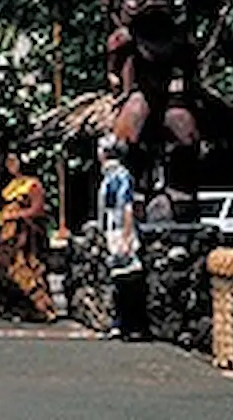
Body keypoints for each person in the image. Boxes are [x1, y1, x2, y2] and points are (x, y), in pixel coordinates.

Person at [0, 153, 56, 323]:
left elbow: (37, 209)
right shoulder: (12, 185)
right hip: (8, 235)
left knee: (24, 271)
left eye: (13, 162)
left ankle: (34, 308)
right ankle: (4, 306)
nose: (10, 165)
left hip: (25, 237)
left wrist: (17, 215)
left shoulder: (33, 185)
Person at [98, 135, 145, 339]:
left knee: (127, 278)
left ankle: (131, 325)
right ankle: (121, 323)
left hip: (120, 230)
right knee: (118, 278)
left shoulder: (120, 176)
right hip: (112, 229)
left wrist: (126, 236)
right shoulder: (110, 176)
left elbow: (126, 207)